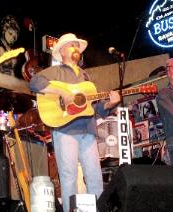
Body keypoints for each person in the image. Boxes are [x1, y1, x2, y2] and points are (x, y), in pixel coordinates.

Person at [29, 33, 121, 212]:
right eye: (71, 45)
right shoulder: (55, 72)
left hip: (87, 129)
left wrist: (110, 103)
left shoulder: (86, 78)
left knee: (94, 176)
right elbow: (34, 82)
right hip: (65, 129)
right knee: (68, 176)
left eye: (77, 46)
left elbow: (93, 109)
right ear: (62, 51)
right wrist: (62, 93)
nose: (76, 48)